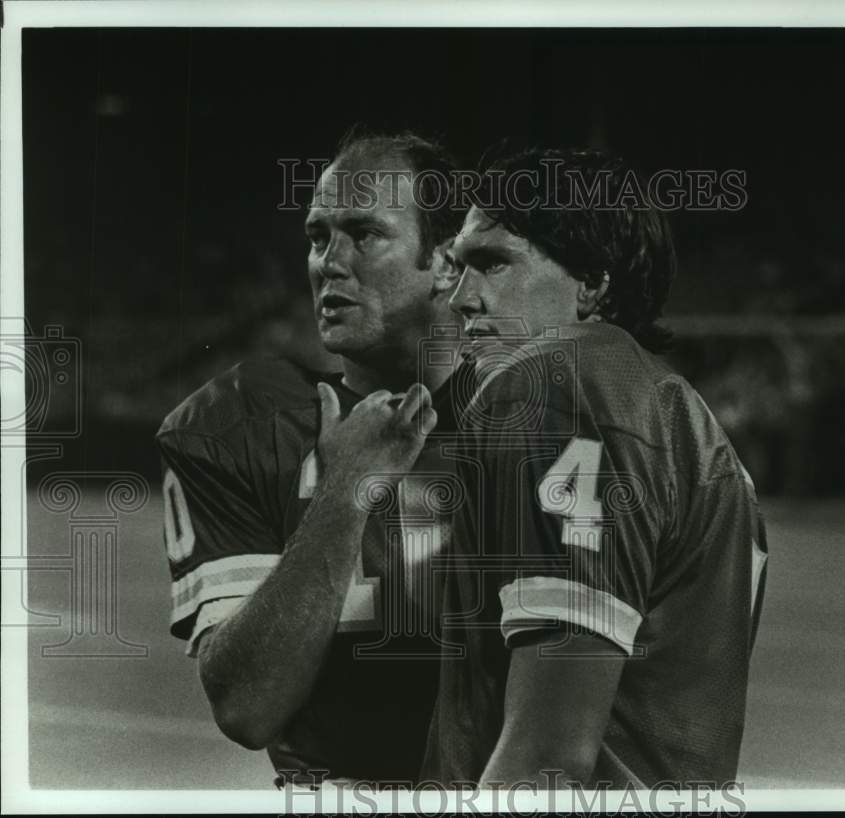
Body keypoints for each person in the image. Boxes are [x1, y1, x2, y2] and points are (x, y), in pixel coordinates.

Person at [421, 148, 769, 789]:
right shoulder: (680, 415)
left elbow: (546, 758)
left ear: (593, 282)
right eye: (459, 268)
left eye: (492, 262)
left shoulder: (558, 383)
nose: (461, 300)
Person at [155, 132, 468, 784]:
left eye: (364, 234)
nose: (329, 261)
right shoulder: (243, 423)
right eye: (317, 236)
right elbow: (246, 706)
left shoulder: (533, 421)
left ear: (445, 259)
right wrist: (347, 488)